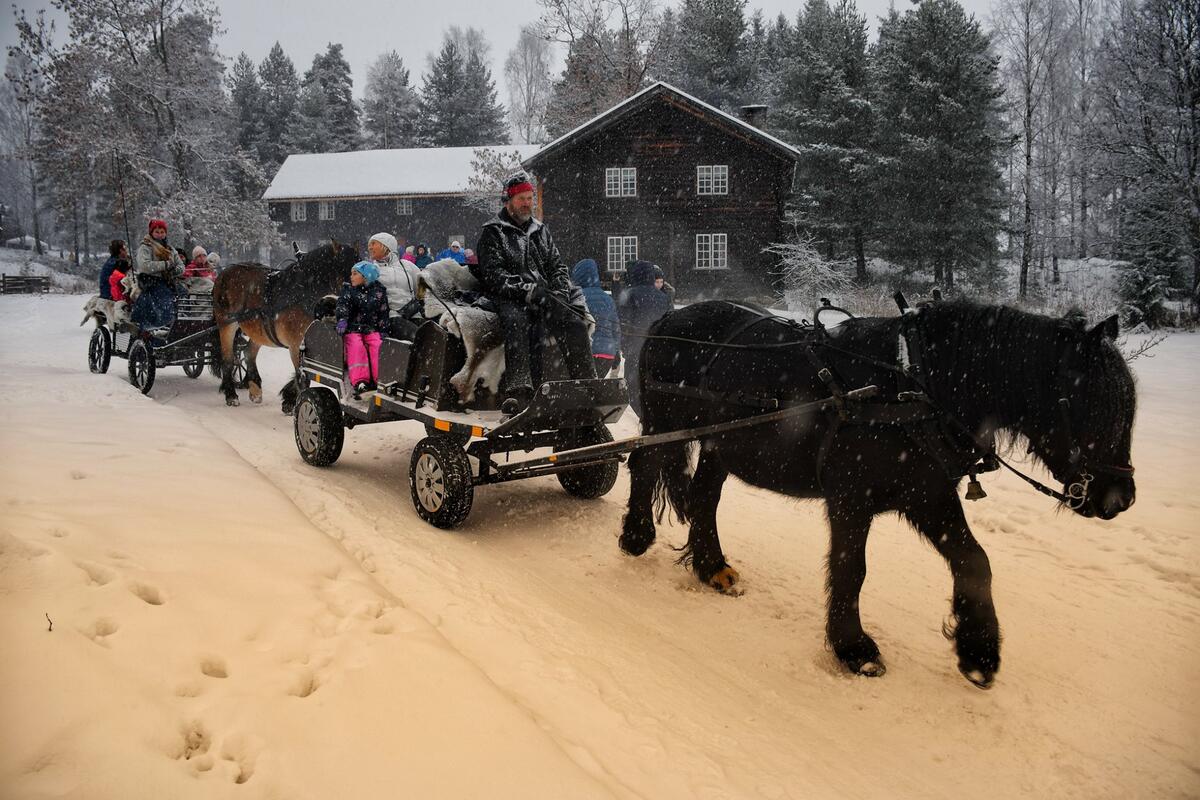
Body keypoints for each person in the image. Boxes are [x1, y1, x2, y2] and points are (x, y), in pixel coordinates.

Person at [473, 172, 596, 414]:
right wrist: (526, 290)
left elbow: (557, 266)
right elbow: (494, 275)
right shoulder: (493, 232)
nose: (527, 203)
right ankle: (519, 390)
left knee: (574, 323)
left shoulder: (541, 231)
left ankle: (588, 385)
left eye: (530, 198)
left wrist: (559, 292)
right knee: (517, 321)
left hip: (545, 295)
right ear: (509, 200)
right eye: (522, 198)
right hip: (509, 297)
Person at [617, 260, 672, 417]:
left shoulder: (630, 294)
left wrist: (625, 346)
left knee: (633, 388)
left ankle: (644, 417)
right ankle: (655, 418)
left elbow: (623, 323)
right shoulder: (664, 298)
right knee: (656, 387)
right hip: (659, 351)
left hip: (636, 350)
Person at [335, 261, 390, 396]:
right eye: (351, 274)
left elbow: (383, 312)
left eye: (355, 274)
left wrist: (384, 330)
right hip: (353, 328)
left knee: (378, 345)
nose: (351, 277)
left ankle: (380, 379)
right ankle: (361, 380)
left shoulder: (379, 292)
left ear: (366, 276)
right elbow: (343, 305)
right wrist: (342, 319)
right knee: (356, 346)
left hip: (371, 328)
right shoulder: (349, 290)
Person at [367, 231, 423, 339]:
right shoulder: (371, 270)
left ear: (386, 246)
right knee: (417, 337)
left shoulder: (407, 266)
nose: (369, 248)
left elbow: (421, 289)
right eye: (369, 245)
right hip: (391, 317)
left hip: (413, 313)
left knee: (435, 334)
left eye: (373, 244)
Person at [133, 219, 185, 332]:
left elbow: (181, 266)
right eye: (157, 232)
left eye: (162, 232)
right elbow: (145, 266)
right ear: (151, 232)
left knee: (185, 295)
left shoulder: (170, 249)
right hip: (152, 282)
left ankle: (182, 324)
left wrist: (174, 271)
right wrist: (165, 265)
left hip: (169, 282)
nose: (160, 234)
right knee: (165, 304)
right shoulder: (146, 247)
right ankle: (160, 328)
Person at [571, 258, 621, 377]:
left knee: (582, 387)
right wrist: (616, 350)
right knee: (596, 386)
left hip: (585, 353)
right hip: (607, 354)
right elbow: (616, 328)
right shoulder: (608, 299)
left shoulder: (577, 297)